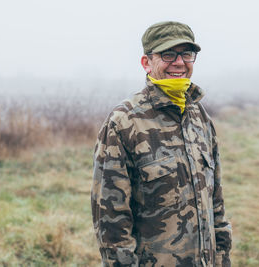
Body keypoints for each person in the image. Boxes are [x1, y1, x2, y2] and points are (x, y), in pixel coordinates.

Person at [91, 21, 232, 266]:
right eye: (168, 54)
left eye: (187, 54)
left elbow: (216, 202)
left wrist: (222, 258)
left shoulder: (200, 117)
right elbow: (111, 221)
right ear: (147, 62)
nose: (179, 62)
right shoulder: (125, 122)